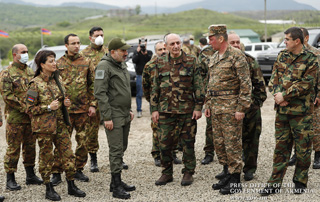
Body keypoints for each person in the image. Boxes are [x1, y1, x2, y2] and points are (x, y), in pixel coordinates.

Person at [260, 27, 319, 196]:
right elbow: (273, 79)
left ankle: (300, 181)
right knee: (281, 148)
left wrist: (285, 95)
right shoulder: (281, 56)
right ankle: (274, 183)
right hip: (283, 111)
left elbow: (307, 84)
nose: (284, 42)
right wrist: (278, 96)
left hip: (301, 113)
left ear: (297, 41)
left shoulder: (311, 59)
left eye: (287, 39)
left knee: (303, 149)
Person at [26, 50, 86, 201]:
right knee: (46, 158)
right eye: (51, 61)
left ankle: (71, 185)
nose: (55, 63)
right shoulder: (35, 84)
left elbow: (61, 100)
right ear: (41, 65)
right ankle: (48, 188)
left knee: (68, 155)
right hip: (44, 128)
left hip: (60, 125)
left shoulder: (56, 80)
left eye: (54, 60)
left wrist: (65, 104)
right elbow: (29, 108)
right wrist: (47, 107)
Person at [150, 33, 204, 186]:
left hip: (187, 111)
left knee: (188, 143)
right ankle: (166, 173)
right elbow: (155, 87)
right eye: (172, 44)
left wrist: (198, 107)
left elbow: (198, 85)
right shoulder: (159, 63)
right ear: (166, 46)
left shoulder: (191, 61)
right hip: (165, 111)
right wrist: (154, 109)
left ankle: (188, 172)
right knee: (164, 143)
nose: (175, 46)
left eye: (178, 43)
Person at [204, 25, 252, 195]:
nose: (209, 41)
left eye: (211, 38)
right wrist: (208, 104)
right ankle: (227, 172)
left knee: (233, 144)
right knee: (220, 143)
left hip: (231, 108)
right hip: (216, 108)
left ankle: (235, 179)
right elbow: (211, 83)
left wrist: (241, 108)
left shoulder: (236, 55)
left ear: (221, 38)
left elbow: (246, 84)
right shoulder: (215, 56)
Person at [51, 34, 96, 185]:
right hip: (65, 112)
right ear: (66, 46)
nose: (76, 46)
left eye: (78, 43)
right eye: (73, 43)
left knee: (83, 141)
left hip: (83, 110)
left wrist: (92, 104)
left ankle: (78, 169)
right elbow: (53, 86)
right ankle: (57, 171)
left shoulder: (86, 62)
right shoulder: (58, 64)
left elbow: (92, 85)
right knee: (62, 142)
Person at [94, 37, 136, 199]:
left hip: (124, 113)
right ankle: (116, 185)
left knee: (122, 146)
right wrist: (107, 117)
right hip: (113, 115)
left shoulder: (121, 64)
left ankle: (116, 182)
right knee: (116, 149)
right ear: (113, 52)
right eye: (123, 51)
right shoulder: (104, 66)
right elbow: (100, 93)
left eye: (126, 50)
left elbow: (125, 89)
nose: (126, 53)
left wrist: (130, 109)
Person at [0, 44, 43, 191]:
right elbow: (7, 96)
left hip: (30, 118)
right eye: (23, 52)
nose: (26, 54)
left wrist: (34, 106)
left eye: (27, 51)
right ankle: (10, 179)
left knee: (30, 147)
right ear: (14, 55)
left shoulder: (30, 72)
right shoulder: (7, 73)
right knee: (13, 149)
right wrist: (26, 108)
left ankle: (30, 175)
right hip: (16, 118)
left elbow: (34, 91)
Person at [228, 32, 267, 181]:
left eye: (238, 42)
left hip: (250, 110)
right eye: (233, 42)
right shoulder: (221, 62)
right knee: (231, 141)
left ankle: (249, 169)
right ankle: (230, 170)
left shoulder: (250, 61)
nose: (236, 45)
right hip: (229, 110)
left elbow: (260, 87)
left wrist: (254, 105)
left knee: (251, 140)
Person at [142, 41, 182, 167]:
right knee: (157, 129)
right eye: (160, 50)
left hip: (172, 103)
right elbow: (146, 86)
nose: (163, 51)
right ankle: (157, 154)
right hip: (157, 103)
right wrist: (152, 102)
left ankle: (173, 153)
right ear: (155, 51)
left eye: (164, 48)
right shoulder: (150, 65)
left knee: (174, 129)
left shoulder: (173, 63)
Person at [288, 27, 320, 169]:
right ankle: (296, 154)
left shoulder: (316, 54)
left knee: (315, 128)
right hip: (296, 97)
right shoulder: (291, 54)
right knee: (296, 127)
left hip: (313, 97)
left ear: (305, 38)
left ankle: (318, 155)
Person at [80, 26, 108, 173]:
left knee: (115, 126)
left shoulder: (108, 51)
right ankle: (93, 160)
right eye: (97, 35)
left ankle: (118, 158)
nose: (100, 38)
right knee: (92, 130)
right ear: (90, 37)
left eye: (102, 35)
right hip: (93, 96)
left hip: (108, 96)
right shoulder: (83, 54)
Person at [198, 42, 216, 165]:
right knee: (210, 126)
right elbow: (200, 75)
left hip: (230, 96)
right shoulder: (205, 53)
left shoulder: (234, 50)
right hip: (211, 96)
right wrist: (202, 94)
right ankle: (209, 152)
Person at [132, 37, 153, 118]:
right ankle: (139, 110)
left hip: (149, 75)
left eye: (144, 43)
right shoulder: (136, 52)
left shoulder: (149, 52)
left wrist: (146, 54)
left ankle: (152, 109)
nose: (143, 45)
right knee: (139, 94)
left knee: (151, 92)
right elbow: (134, 60)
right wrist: (138, 53)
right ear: (139, 44)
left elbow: (150, 60)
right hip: (139, 75)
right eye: (142, 43)